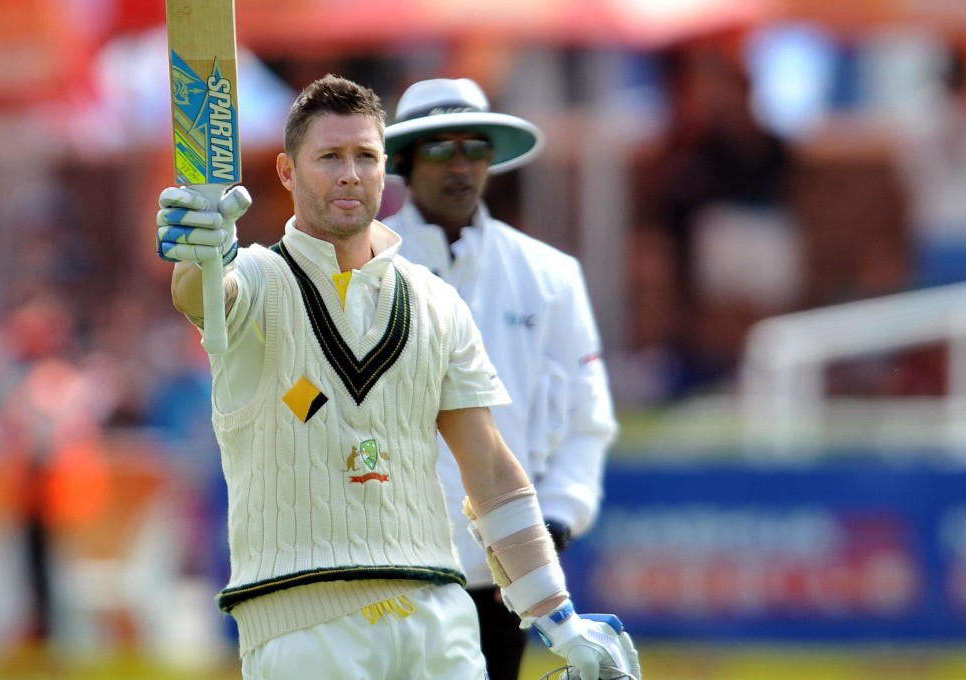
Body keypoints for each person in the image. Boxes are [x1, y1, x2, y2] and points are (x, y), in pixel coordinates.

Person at [154, 74, 640, 680]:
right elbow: (203, 295)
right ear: (286, 172)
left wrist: (559, 619)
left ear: (386, 168)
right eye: (330, 157)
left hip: (438, 612)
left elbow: (489, 467)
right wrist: (199, 252)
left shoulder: (436, 302)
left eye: (364, 156)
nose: (350, 174)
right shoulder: (256, 279)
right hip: (303, 621)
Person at [381, 78, 619, 680]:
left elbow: (588, 420)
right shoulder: (363, 271)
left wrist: (556, 518)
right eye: (440, 149)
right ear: (404, 161)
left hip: (501, 580)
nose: (461, 166)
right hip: (388, 571)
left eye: (476, 148)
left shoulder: (550, 275)